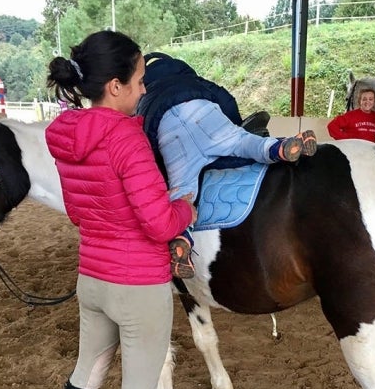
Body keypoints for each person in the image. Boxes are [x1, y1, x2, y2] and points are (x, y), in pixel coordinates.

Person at [45, 30, 196, 389]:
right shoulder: (127, 139)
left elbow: (76, 212)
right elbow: (158, 222)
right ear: (114, 86)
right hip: (138, 287)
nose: (144, 90)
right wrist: (185, 210)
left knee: (86, 374)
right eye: (138, 81)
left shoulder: (66, 136)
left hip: (93, 278)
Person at [136, 52, 318, 279]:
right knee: (245, 143)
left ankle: (182, 240)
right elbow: (225, 98)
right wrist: (235, 124)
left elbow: (143, 136)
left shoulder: (144, 94)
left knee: (182, 190)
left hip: (169, 134)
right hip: (205, 113)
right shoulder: (193, 80)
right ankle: (281, 147)